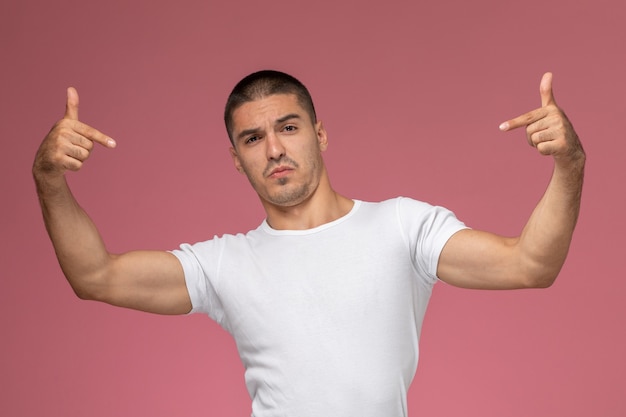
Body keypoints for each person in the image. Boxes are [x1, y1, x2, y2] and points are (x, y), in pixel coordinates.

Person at [33, 70, 585, 416]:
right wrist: (49, 180)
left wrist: (569, 164)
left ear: (319, 134)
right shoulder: (224, 263)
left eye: (289, 128)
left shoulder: (403, 228)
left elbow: (529, 264)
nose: (273, 149)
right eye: (253, 138)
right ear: (237, 157)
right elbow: (95, 276)